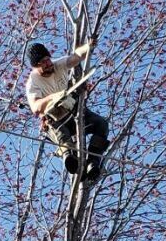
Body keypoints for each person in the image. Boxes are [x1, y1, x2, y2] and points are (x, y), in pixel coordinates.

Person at [23, 39, 110, 180]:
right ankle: (73, 163)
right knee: (66, 144)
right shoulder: (33, 83)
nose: (48, 64)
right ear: (35, 66)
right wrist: (52, 98)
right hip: (56, 120)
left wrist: (88, 46)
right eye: (43, 63)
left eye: (48, 60)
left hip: (74, 111)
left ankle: (93, 161)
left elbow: (76, 57)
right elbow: (35, 107)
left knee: (101, 125)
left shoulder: (58, 65)